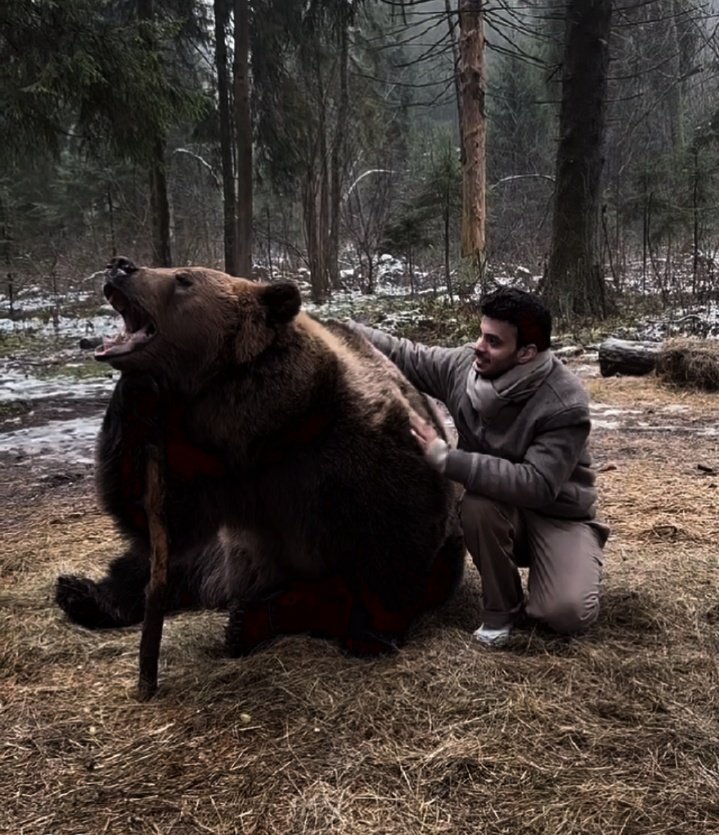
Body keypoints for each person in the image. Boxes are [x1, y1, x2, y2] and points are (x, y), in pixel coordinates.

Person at [348, 286, 609, 647]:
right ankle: (501, 611)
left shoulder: (565, 403)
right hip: (499, 512)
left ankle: (575, 560)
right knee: (478, 504)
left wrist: (447, 459)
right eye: (480, 334)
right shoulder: (463, 368)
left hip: (558, 516)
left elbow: (536, 484)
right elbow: (407, 355)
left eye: (493, 341)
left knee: (564, 614)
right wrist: (339, 328)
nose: (478, 346)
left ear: (527, 353)